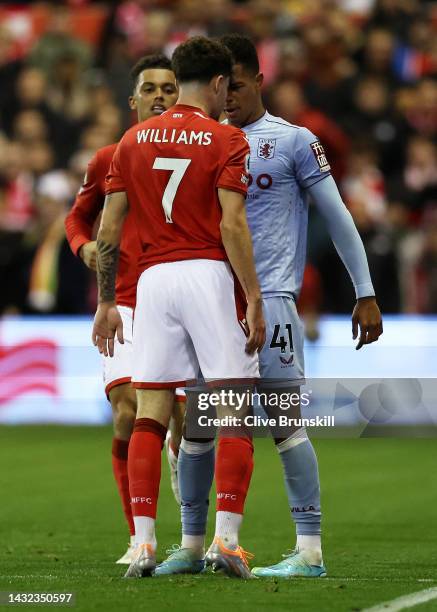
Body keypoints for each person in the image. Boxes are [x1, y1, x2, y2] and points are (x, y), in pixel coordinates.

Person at [91, 36, 265, 579]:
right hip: (208, 274)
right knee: (234, 406)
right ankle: (226, 542)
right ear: (217, 83)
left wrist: (104, 302)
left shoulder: (132, 139)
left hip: (151, 283)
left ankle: (143, 544)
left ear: (179, 79)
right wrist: (253, 296)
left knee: (151, 412)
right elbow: (232, 225)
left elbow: (109, 230)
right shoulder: (226, 138)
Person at [216, 34, 381, 578]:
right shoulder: (207, 142)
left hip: (276, 302)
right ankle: (199, 544)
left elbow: (337, 216)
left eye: (237, 84)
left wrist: (365, 291)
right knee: (200, 425)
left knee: (285, 425)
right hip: (213, 303)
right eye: (221, 86)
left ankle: (309, 550)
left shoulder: (292, 141)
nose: (228, 95)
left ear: (259, 81)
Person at [65, 54, 183, 565]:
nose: (160, 96)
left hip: (180, 301)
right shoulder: (109, 158)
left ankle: (194, 532)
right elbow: (78, 217)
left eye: (170, 88)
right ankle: (141, 537)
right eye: (150, 89)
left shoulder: (199, 155)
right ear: (132, 99)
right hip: (126, 302)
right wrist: (83, 247)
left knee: (183, 417)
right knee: (129, 409)